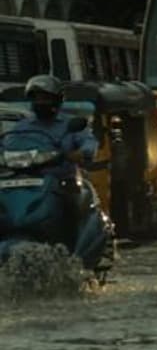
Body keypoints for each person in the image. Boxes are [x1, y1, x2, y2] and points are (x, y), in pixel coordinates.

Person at [5, 76, 100, 245]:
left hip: (61, 181)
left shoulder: (70, 124)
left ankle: (71, 248)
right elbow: (7, 146)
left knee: (73, 206)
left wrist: (80, 153)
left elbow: (89, 143)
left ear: (57, 100)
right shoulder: (22, 127)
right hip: (23, 182)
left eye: (46, 98)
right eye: (37, 98)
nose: (41, 102)